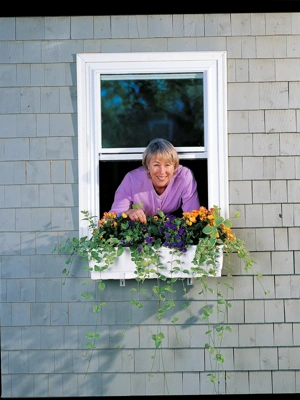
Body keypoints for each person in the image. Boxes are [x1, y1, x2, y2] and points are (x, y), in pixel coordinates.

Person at [109, 138, 200, 224]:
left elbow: (193, 216)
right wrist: (127, 213)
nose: (162, 172)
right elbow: (111, 218)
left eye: (167, 165)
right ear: (148, 165)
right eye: (156, 165)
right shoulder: (132, 179)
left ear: (175, 166)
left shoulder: (184, 177)